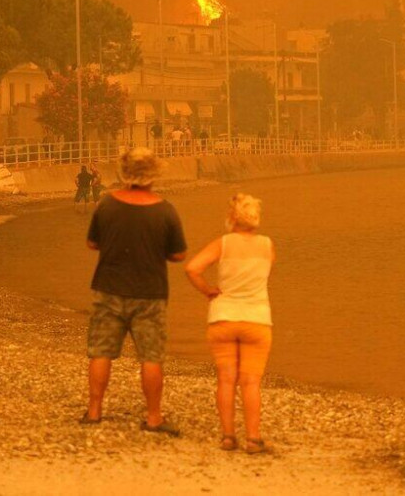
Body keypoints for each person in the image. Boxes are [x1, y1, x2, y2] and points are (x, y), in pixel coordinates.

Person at [82, 147, 187, 436]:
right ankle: (153, 418)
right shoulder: (165, 209)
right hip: (149, 293)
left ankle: (94, 412)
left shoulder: (107, 205)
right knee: (150, 357)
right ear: (153, 175)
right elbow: (178, 255)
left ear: (123, 173)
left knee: (100, 352)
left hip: (108, 288)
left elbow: (92, 244)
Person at [185, 193, 274, 454]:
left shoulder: (222, 244)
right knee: (251, 382)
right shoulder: (267, 245)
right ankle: (253, 438)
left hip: (223, 317)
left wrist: (208, 291)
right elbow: (266, 271)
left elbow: (193, 268)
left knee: (225, 379)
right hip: (256, 319)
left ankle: (227, 437)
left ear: (232, 216)